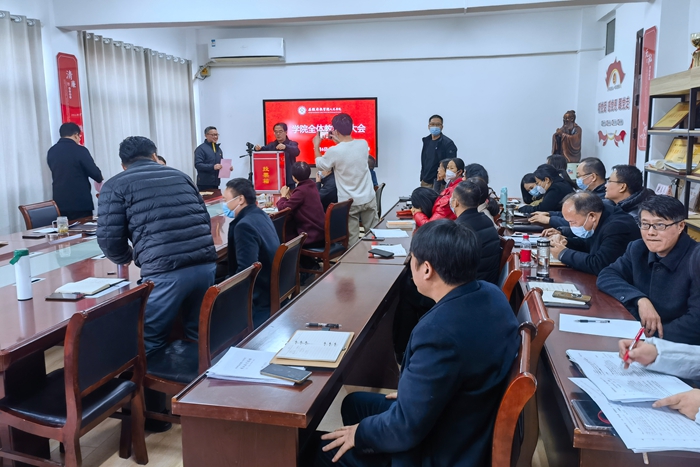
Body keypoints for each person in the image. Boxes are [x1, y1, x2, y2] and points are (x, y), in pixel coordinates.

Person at [316, 220, 519, 467]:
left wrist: (359, 435)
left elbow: (404, 428)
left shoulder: (438, 333)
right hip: (464, 413)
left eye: (412, 259)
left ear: (426, 269)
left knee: (320, 450)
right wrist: (416, 392)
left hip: (442, 446)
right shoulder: (492, 293)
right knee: (354, 403)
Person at [97, 136, 218, 432]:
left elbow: (109, 240)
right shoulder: (180, 175)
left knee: (148, 339)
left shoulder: (115, 185)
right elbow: (204, 219)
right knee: (196, 334)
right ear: (154, 155)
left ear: (123, 164)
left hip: (165, 273)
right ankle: (200, 404)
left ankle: (156, 416)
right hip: (204, 264)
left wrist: (129, 257)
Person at [597, 195, 700, 344]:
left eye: (660, 225)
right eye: (645, 224)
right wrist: (640, 299)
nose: (650, 232)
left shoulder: (695, 258)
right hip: (638, 335)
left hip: (676, 344)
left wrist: (650, 341)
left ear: (680, 226)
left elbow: (696, 322)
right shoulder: (638, 248)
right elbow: (607, 275)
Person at [223, 178, 280, 328]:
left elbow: (246, 271)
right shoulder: (260, 214)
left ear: (240, 199)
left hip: (259, 295)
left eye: (226, 200)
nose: (225, 205)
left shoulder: (244, 226)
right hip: (273, 282)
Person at [314, 113, 378, 245]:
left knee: (352, 240)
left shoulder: (334, 151)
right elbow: (349, 151)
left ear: (336, 131)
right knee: (374, 234)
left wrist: (316, 145)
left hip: (350, 202)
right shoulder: (363, 144)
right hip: (368, 197)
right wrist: (339, 143)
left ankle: (355, 258)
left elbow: (320, 164)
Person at [541, 192, 640, 275]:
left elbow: (600, 265)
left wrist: (563, 253)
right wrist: (566, 242)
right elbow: (588, 244)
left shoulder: (617, 227)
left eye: (573, 222)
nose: (571, 226)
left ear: (592, 216)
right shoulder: (601, 215)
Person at [46, 122, 103, 220]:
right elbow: (95, 174)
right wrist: (99, 177)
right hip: (80, 202)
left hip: (59, 202)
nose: (79, 139)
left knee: (65, 228)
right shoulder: (80, 150)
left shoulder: (52, 151)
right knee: (84, 228)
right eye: (79, 136)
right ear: (76, 135)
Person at [529, 157, 607, 227]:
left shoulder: (602, 199)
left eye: (579, 176)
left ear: (593, 177)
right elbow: (573, 213)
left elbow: (580, 222)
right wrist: (550, 214)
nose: (578, 179)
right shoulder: (591, 193)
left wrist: (550, 220)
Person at [452, 178, 502, 284]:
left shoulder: (460, 228)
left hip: (471, 285)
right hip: (487, 282)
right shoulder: (486, 220)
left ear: (455, 202)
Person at [277, 162, 325, 248]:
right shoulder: (312, 185)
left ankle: (291, 255)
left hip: (311, 237)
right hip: (320, 233)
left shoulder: (301, 191)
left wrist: (283, 196)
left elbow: (283, 209)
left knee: (284, 231)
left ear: (293, 177)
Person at [255, 122, 300, 189]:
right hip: (274, 179)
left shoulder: (292, 144)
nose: (278, 134)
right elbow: (263, 149)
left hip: (289, 179)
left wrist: (285, 147)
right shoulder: (272, 145)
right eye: (276, 132)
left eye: (280, 131)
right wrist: (258, 148)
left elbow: (296, 151)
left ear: (286, 132)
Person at [419, 115, 458, 188]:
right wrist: (422, 177)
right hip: (425, 181)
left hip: (440, 183)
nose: (435, 127)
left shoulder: (448, 143)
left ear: (442, 127)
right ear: (428, 126)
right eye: (432, 124)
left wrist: (443, 180)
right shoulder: (426, 141)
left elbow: (451, 164)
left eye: (438, 124)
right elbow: (424, 161)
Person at [195, 126, 227, 191]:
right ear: (206, 135)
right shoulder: (201, 149)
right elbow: (198, 165)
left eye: (217, 135)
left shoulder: (218, 148)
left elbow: (221, 162)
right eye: (213, 135)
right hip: (204, 183)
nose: (215, 137)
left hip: (216, 182)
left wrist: (227, 167)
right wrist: (213, 167)